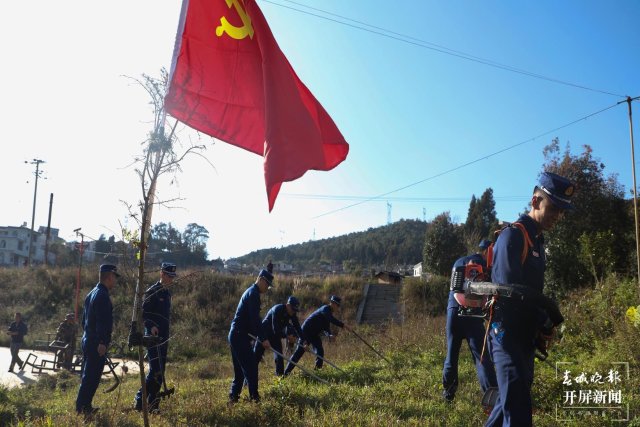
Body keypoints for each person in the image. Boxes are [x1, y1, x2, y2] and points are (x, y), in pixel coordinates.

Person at [485, 171, 574, 427]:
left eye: (562, 211)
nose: (558, 216)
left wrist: (541, 325)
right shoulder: (513, 236)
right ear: (535, 201)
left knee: (507, 403)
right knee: (519, 409)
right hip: (506, 333)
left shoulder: (537, 240)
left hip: (524, 335)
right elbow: (510, 293)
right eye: (554, 208)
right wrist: (543, 318)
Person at [442, 240, 498, 402]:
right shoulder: (488, 267)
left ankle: (448, 393)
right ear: (488, 251)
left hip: (453, 312)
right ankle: (492, 396)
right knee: (481, 357)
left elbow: (454, 289)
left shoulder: (459, 262)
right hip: (473, 316)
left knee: (452, 353)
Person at [75, 264, 119, 418]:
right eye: (115, 277)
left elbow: (84, 321)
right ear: (109, 277)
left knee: (88, 375)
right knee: (91, 376)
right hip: (96, 342)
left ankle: (84, 405)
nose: (115, 281)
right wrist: (102, 342)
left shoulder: (92, 293)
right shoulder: (102, 295)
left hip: (88, 339)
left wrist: (90, 336)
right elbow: (103, 322)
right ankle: (82, 409)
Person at [134, 262, 177, 413]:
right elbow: (143, 314)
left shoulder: (167, 293)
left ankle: (153, 404)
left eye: (173, 276)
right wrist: (151, 326)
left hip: (163, 338)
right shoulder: (152, 292)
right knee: (155, 371)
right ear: (162, 274)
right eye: (169, 276)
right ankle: (140, 401)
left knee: (160, 371)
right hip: (152, 337)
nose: (171, 279)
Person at [228, 269, 273, 403]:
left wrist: (260, 336)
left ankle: (233, 399)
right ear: (260, 279)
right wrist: (263, 338)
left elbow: (253, 320)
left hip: (236, 335)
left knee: (240, 372)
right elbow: (255, 319)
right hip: (239, 336)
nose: (267, 287)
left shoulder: (251, 292)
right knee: (251, 368)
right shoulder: (253, 294)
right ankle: (255, 399)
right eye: (267, 284)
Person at [283, 295, 351, 376]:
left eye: (339, 305)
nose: (338, 307)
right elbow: (330, 319)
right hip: (306, 332)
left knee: (320, 351)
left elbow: (326, 327)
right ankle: (285, 374)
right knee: (298, 354)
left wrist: (330, 334)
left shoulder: (329, 314)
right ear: (332, 303)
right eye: (337, 305)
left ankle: (317, 372)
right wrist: (343, 325)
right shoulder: (325, 309)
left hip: (314, 335)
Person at [254, 296, 304, 376]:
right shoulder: (277, 309)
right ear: (288, 305)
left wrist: (304, 341)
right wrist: (287, 337)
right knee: (255, 358)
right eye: (293, 309)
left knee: (279, 357)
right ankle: (246, 383)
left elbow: (297, 327)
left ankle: (280, 379)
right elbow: (275, 329)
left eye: (295, 310)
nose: (293, 312)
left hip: (275, 337)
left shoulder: (292, 314)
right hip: (264, 334)